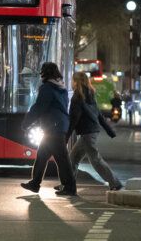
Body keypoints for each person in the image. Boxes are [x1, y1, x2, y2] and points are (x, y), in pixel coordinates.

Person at [20, 62, 77, 196]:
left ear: (44, 73)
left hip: (53, 128)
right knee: (42, 156)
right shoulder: (61, 88)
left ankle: (70, 187)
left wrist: (26, 123)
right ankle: (35, 183)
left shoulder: (47, 88)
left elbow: (39, 107)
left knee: (62, 159)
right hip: (58, 126)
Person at [65, 72, 121, 191]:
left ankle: (115, 183)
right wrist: (109, 130)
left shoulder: (77, 96)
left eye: (72, 80)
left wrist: (66, 136)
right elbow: (99, 115)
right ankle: (68, 185)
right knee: (73, 158)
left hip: (87, 133)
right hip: (91, 131)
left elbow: (73, 119)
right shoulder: (90, 93)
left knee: (95, 160)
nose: (71, 83)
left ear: (75, 82)